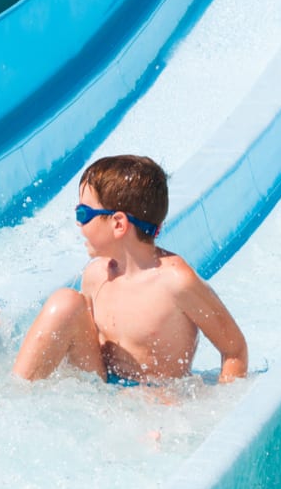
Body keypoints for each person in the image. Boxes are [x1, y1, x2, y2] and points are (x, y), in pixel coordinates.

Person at [13, 154, 248, 385]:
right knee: (65, 303)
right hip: (103, 392)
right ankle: (15, 395)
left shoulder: (176, 283)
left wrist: (209, 413)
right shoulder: (96, 275)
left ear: (118, 224)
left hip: (155, 405)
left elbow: (235, 350)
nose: (78, 223)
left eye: (83, 214)